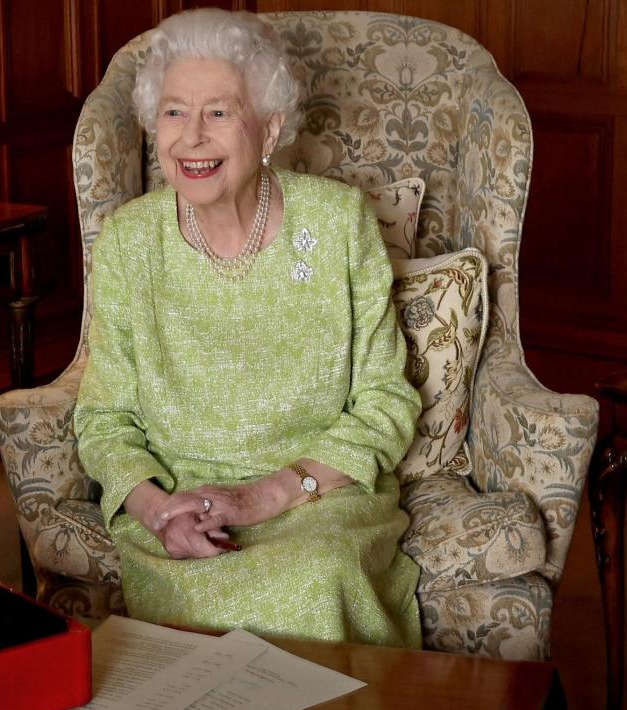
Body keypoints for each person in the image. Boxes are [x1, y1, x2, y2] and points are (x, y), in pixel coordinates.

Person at [74, 9, 423, 648]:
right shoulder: (129, 241)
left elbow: (384, 400)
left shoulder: (340, 223)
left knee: (316, 578)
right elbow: (103, 421)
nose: (192, 138)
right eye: (174, 113)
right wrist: (158, 513)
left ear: (269, 129)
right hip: (181, 512)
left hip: (318, 499)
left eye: (219, 112)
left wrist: (267, 497)